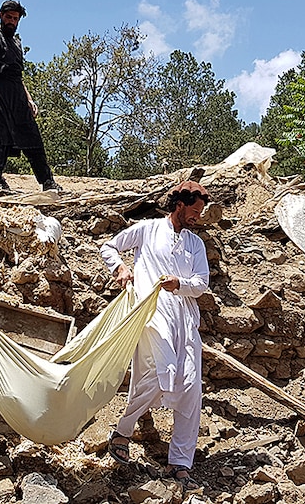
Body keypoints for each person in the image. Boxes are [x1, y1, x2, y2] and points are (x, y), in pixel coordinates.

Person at [100, 180, 210, 490]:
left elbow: (201, 283)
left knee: (190, 387)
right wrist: (120, 269)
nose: (198, 217)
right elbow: (108, 247)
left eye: (201, 212)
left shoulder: (195, 244)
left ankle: (180, 463)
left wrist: (180, 284)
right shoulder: (147, 229)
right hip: (153, 313)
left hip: (185, 319)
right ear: (179, 205)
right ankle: (123, 431)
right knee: (163, 373)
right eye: (195, 211)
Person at [0, 0, 60, 193]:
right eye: (9, 17)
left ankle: (48, 182)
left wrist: (29, 99)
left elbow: (18, 76)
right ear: (1, 16)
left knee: (32, 136)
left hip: (18, 94)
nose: (12, 21)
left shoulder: (17, 43)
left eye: (15, 18)